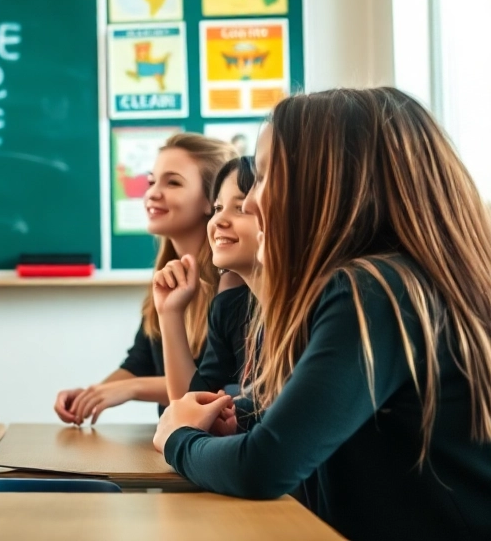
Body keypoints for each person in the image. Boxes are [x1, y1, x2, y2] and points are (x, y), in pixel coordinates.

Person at [155, 88, 491, 540]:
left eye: (268, 176)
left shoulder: (373, 290)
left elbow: (264, 468)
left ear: (335, 183)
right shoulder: (391, 282)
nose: (253, 202)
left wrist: (179, 439)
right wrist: (247, 419)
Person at [55, 133, 237, 424]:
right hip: (175, 444)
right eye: (152, 181)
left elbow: (215, 390)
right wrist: (92, 394)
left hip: (207, 447)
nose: (152, 193)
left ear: (211, 201)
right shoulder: (168, 276)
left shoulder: (235, 284)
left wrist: (131, 389)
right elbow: (139, 364)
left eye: (173, 182)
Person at [154, 156, 257, 401]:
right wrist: (169, 313)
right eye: (219, 208)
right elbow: (189, 405)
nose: (219, 220)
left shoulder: (307, 310)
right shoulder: (229, 306)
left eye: (241, 208)